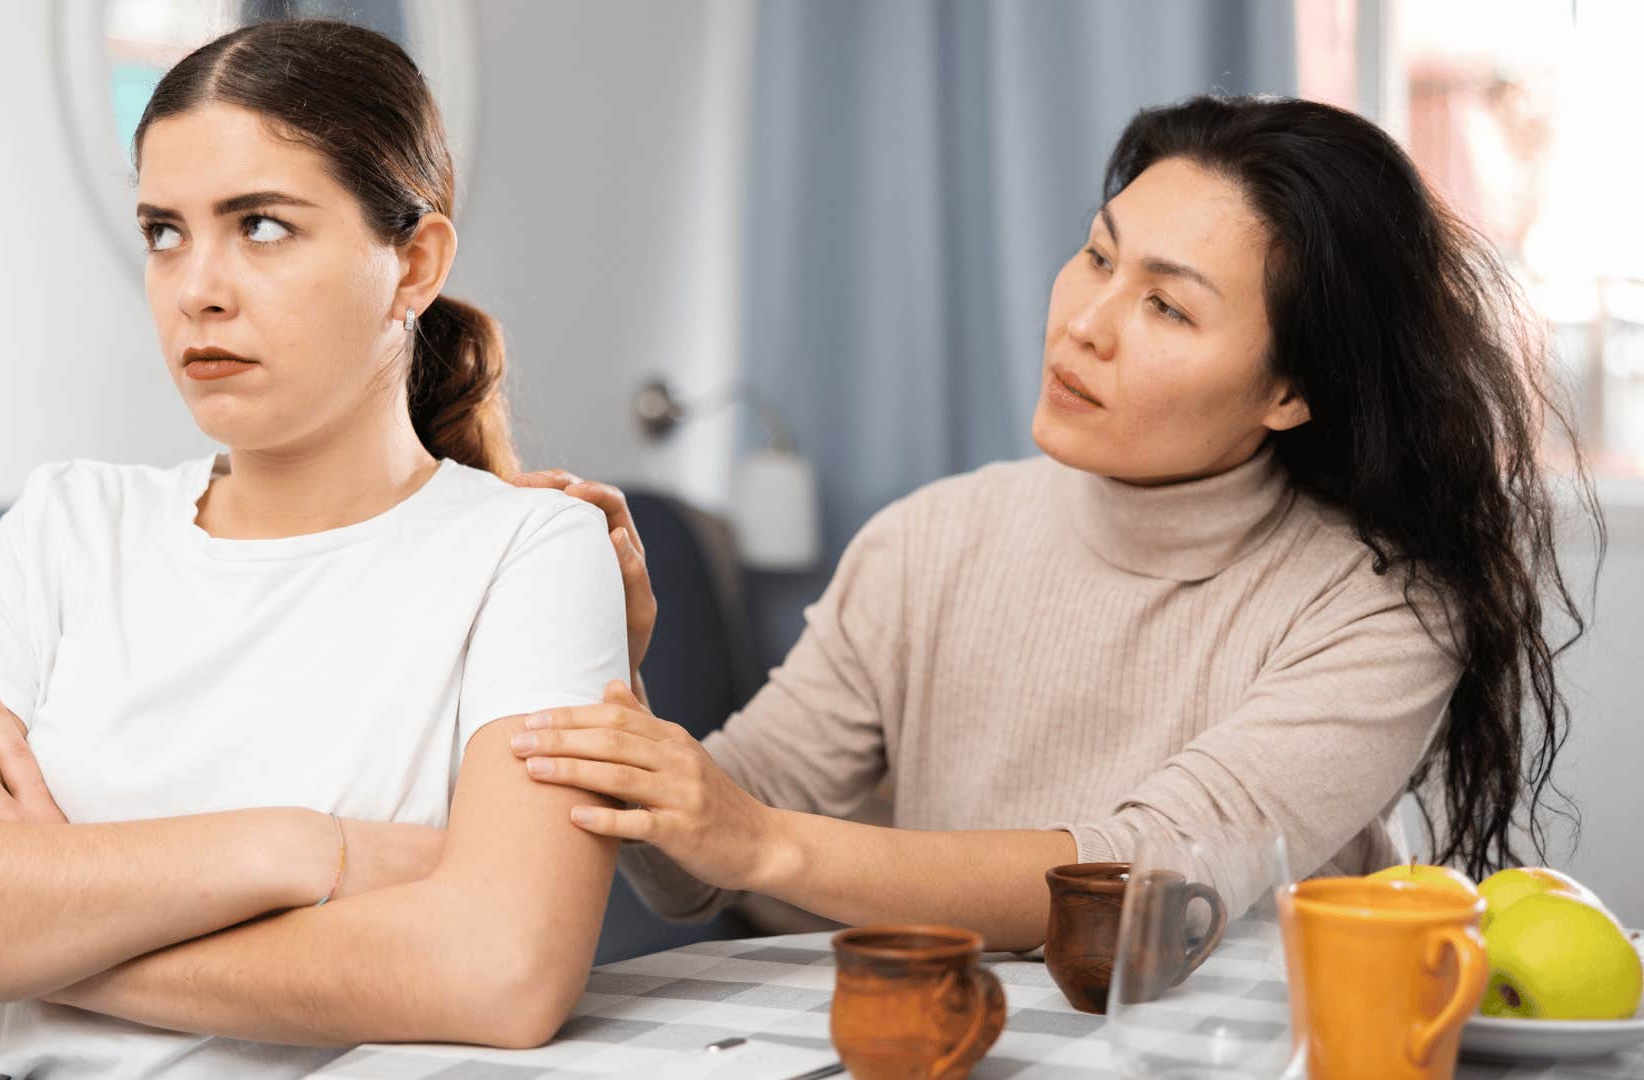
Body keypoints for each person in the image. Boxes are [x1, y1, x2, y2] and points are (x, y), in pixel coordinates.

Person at [509, 94, 1602, 949]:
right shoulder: (929, 541)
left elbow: (1138, 881)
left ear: (1290, 391)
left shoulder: (1379, 608)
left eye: (1167, 305)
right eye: (1096, 255)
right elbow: (696, 871)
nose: (1085, 323)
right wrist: (620, 682)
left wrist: (760, 841)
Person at [0, 20, 627, 1075]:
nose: (197, 286)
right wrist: (297, 850)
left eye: (263, 226)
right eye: (165, 231)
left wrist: (34, 927)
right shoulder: (71, 523)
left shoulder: (533, 554)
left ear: (414, 264)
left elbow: (500, 972)